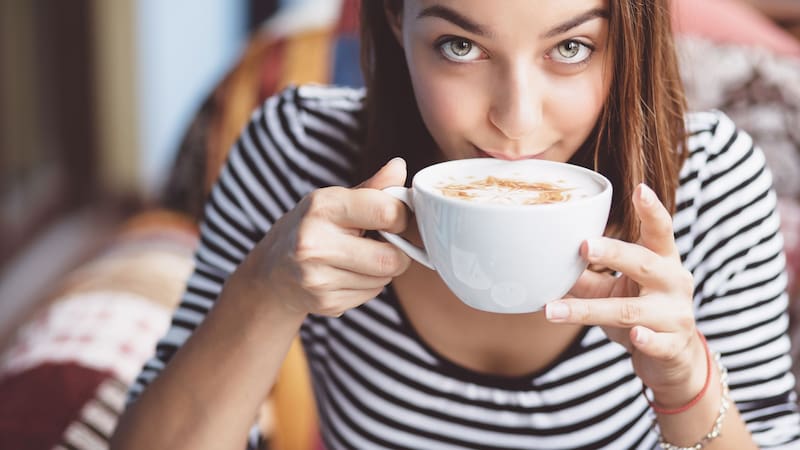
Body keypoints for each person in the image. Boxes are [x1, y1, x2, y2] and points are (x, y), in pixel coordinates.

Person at [111, 0, 800, 448]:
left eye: (571, 48)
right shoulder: (297, 154)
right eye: (460, 46)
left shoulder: (711, 181)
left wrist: (685, 380)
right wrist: (265, 292)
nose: (516, 122)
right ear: (391, 23)